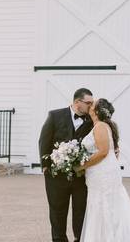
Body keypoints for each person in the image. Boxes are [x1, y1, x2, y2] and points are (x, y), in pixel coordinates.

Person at [77, 98, 130, 242]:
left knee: (104, 204)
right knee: (105, 204)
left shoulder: (100, 126)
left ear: (97, 111)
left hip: (101, 172)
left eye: (93, 104)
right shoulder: (101, 125)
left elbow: (103, 152)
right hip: (101, 172)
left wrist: (81, 166)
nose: (90, 105)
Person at [40, 88, 95, 242]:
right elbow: (44, 140)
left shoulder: (92, 120)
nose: (92, 106)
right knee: (57, 212)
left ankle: (80, 239)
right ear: (77, 102)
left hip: (81, 176)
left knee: (81, 212)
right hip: (56, 176)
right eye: (88, 103)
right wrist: (45, 166)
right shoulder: (55, 115)